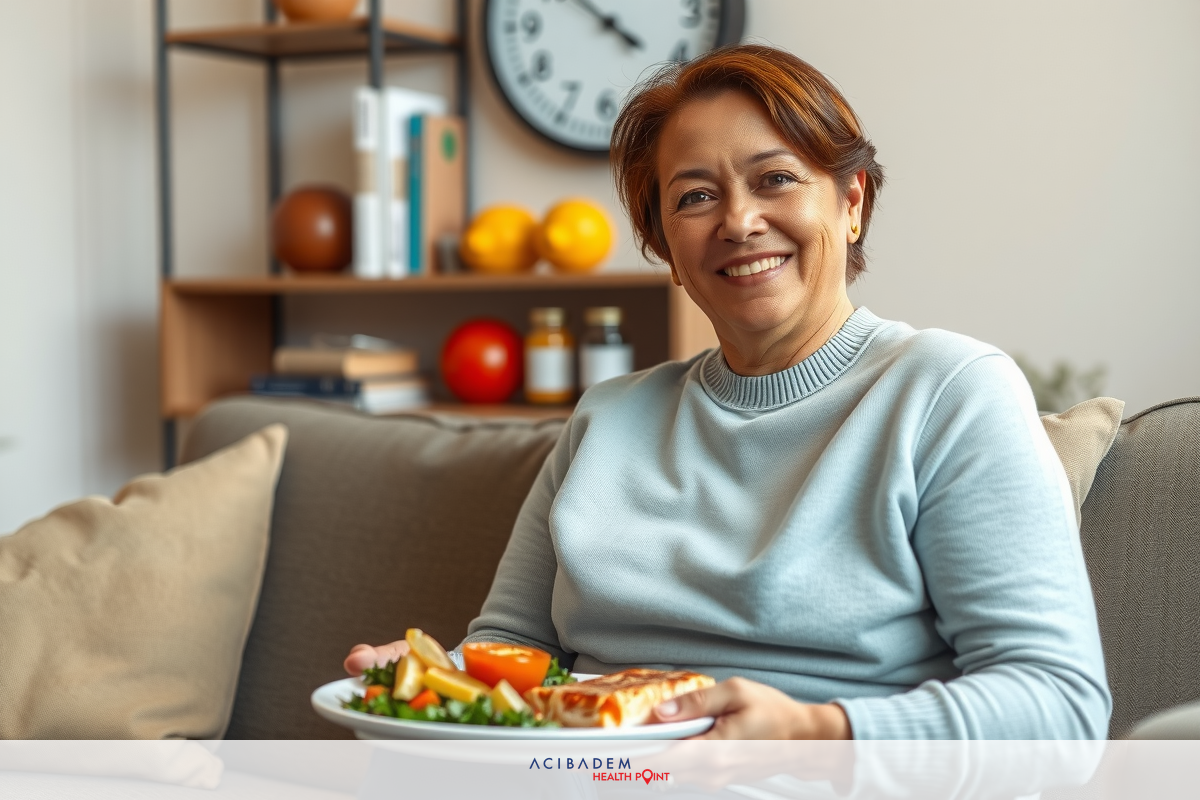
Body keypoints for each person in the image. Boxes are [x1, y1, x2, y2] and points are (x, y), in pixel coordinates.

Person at [345, 44, 1111, 740]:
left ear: (852, 203)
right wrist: (422, 679)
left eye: (775, 178)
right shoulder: (607, 417)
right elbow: (511, 651)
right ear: (666, 250)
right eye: (694, 198)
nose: (740, 222)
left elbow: (1060, 703)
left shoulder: (949, 391)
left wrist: (816, 731)